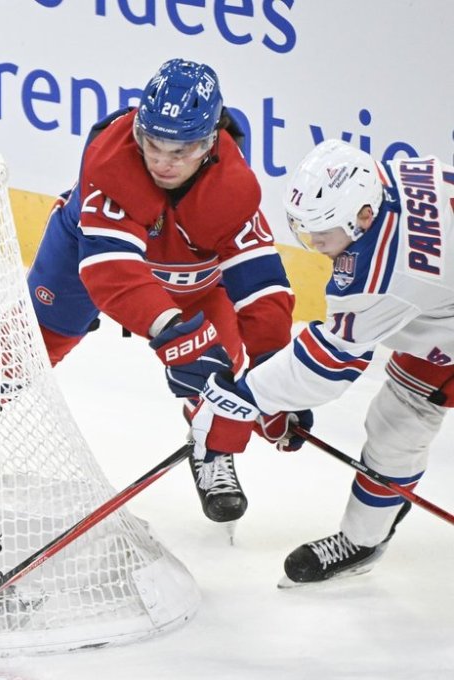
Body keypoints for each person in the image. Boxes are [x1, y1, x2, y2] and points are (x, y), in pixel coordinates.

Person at [26, 58, 297, 524]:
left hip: (194, 279)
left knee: (223, 371)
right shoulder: (109, 162)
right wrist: (176, 334)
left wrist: (274, 382)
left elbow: (262, 286)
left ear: (211, 140)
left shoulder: (233, 187)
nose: (163, 162)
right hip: (81, 257)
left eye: (183, 149)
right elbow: (113, 272)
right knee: (26, 347)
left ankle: (213, 450)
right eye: (153, 144)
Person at [191, 139, 454, 583]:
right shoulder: (394, 177)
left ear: (364, 217)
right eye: (304, 229)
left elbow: (328, 365)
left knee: (402, 420)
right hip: (443, 311)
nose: (313, 243)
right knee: (398, 421)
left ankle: (375, 517)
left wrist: (246, 398)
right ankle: (364, 538)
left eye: (323, 233)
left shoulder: (384, 273)